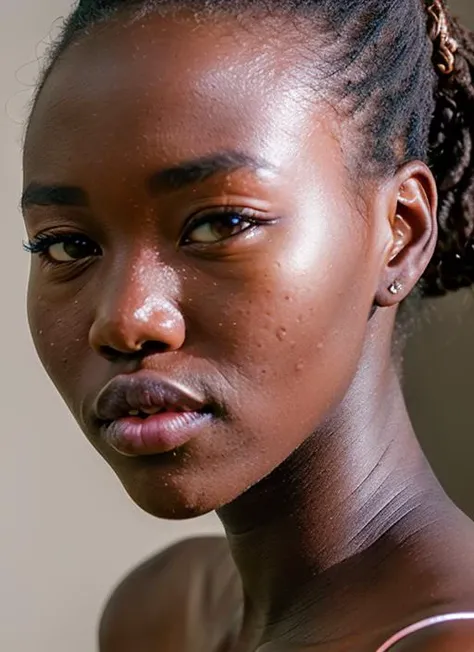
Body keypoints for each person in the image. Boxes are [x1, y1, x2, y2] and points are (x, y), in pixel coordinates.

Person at [21, 0, 474, 648]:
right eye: (66, 245)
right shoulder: (160, 617)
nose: (126, 320)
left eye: (219, 224)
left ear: (399, 234)